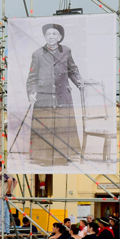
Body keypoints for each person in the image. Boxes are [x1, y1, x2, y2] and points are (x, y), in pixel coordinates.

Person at [26, 23, 84, 165]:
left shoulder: (66, 51)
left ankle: (62, 157)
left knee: (62, 126)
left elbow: (72, 70)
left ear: (59, 37)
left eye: (54, 34)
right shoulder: (37, 54)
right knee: (45, 126)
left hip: (62, 95)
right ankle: (43, 158)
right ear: (45, 37)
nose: (51, 37)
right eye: (48, 34)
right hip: (44, 96)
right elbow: (32, 77)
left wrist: (79, 82)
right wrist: (32, 92)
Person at [0, 162, 14, 235]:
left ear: (0, 168)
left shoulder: (2, 174)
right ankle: (7, 230)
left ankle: (1, 230)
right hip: (6, 197)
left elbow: (10, 180)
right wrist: (10, 190)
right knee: (6, 214)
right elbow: (15, 181)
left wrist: (8, 191)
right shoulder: (8, 173)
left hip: (1, 197)